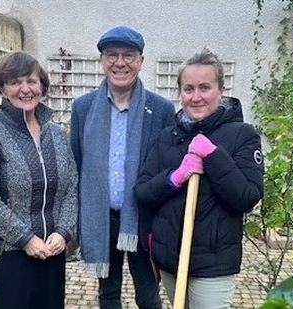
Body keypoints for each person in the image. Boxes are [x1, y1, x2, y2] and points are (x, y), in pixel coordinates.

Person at [134, 48, 264, 309]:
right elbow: (143, 192)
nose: (195, 97)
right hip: (170, 260)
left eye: (204, 88)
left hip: (213, 265)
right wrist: (175, 177)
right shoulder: (167, 137)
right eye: (188, 89)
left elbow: (247, 197)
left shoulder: (243, 136)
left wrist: (213, 155)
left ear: (221, 89)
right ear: (180, 91)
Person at [70, 26, 175, 309]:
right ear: (102, 61)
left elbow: (168, 167)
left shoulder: (162, 109)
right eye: (111, 55)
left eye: (128, 55)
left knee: (148, 295)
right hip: (101, 219)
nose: (120, 62)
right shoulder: (82, 108)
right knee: (108, 294)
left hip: (144, 218)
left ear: (140, 61)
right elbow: (77, 166)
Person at [0, 51, 78, 309]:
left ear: (42, 86)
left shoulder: (57, 133)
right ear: (2, 88)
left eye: (31, 81)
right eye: (15, 82)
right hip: (7, 249)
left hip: (51, 246)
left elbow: (71, 187)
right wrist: (25, 238)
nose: (25, 89)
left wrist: (63, 232)